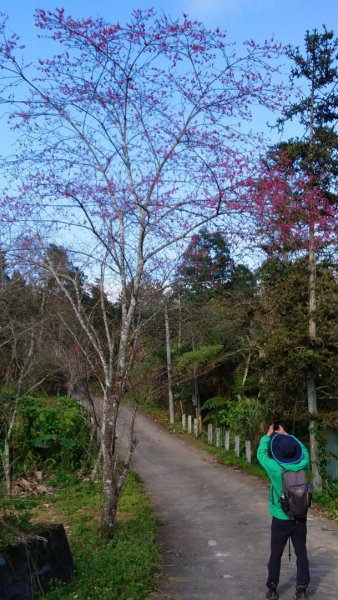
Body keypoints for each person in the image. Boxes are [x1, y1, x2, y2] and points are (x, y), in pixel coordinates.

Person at [257, 424, 310, 600]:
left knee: (276, 554)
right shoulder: (303, 463)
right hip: (300, 516)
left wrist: (267, 436)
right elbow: (303, 450)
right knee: (301, 553)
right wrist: (288, 435)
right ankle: (302, 590)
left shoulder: (275, 468)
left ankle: (272, 589)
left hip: (280, 518)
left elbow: (261, 455)